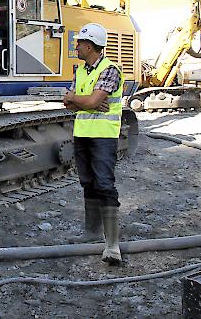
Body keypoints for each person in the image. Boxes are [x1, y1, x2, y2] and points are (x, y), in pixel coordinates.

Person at [63, 22, 124, 265]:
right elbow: (68, 102)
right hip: (83, 133)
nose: (76, 46)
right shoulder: (80, 71)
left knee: (104, 185)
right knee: (87, 182)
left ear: (89, 46)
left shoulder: (110, 70)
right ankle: (91, 233)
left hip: (103, 136)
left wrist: (84, 101)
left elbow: (87, 101)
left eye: (79, 43)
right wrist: (84, 101)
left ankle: (112, 246)